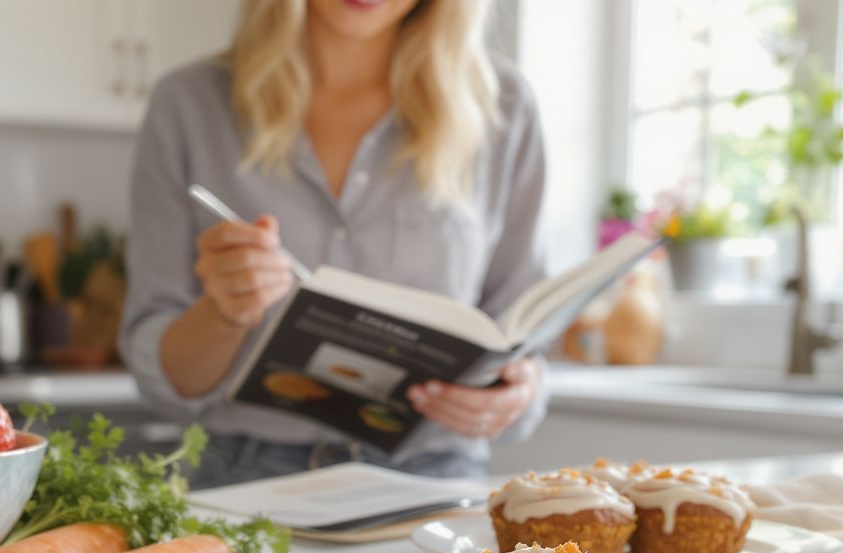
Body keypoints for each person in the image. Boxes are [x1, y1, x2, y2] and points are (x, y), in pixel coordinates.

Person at [120, 0, 547, 489]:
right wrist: (224, 313)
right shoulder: (189, 103)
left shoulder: (505, 106)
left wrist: (518, 394)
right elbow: (166, 380)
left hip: (437, 482)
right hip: (247, 481)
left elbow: (521, 334)